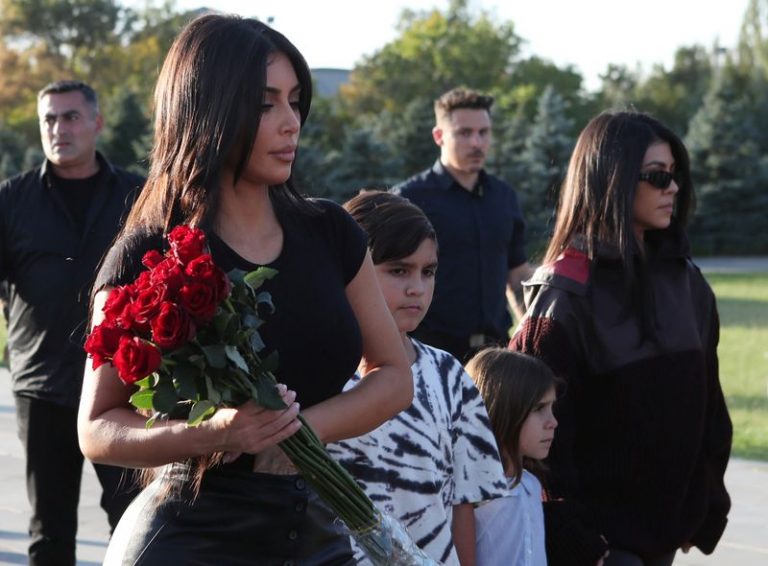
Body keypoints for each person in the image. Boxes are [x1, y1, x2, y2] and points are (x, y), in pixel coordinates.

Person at [77, 14, 412, 565]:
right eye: (265, 104)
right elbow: (97, 427)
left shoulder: (331, 233)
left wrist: (296, 432)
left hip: (316, 536)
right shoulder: (147, 255)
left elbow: (394, 377)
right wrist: (216, 433)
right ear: (210, 110)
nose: (291, 122)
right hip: (187, 540)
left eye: (295, 100)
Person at [509, 110, 732, 566]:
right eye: (656, 176)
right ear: (611, 178)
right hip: (600, 550)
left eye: (675, 176)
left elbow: (709, 404)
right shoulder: (564, 297)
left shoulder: (688, 283)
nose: (672, 187)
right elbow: (535, 444)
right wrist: (586, 547)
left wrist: (708, 505)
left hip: (663, 538)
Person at [0, 80, 143, 565]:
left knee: (135, 521)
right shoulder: (12, 201)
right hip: (42, 388)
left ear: (96, 123)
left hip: (125, 387)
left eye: (71, 116)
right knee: (50, 531)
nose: (58, 128)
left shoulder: (137, 197)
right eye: (49, 119)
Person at [328, 191, 507, 565]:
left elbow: (463, 507)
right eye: (398, 270)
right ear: (349, 268)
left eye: (428, 271)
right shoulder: (316, 373)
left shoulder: (449, 376)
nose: (417, 288)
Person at [392, 87, 534, 363]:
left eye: (484, 132)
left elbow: (516, 277)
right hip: (427, 353)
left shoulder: (504, 197)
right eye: (464, 133)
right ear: (439, 136)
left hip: (495, 352)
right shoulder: (410, 199)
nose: (477, 143)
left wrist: (528, 342)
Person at [465, 348, 559, 566]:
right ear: (502, 408)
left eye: (552, 408)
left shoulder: (531, 486)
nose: (553, 422)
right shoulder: (472, 495)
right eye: (539, 408)